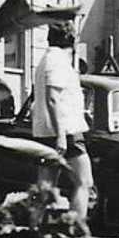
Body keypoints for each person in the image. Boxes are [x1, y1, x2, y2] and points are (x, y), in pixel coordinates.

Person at [31, 21, 92, 225]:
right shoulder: (57, 61)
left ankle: (36, 233)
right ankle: (76, 237)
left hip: (45, 131)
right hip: (66, 130)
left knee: (45, 186)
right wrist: (61, 135)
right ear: (71, 40)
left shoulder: (46, 60)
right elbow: (53, 98)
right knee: (83, 182)